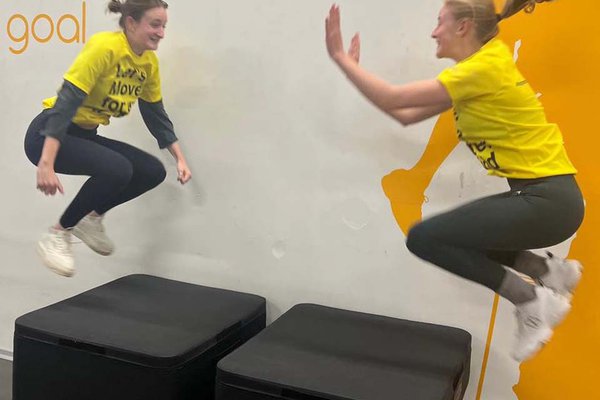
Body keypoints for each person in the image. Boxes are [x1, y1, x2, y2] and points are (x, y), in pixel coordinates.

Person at [325, 0, 584, 362]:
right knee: (455, 236)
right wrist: (351, 68)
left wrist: (341, 60)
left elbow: (393, 97)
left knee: (424, 238)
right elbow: (403, 115)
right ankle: (546, 271)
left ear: (462, 27)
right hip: (547, 200)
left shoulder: (481, 69)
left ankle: (531, 299)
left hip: (547, 200)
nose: (433, 32)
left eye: (439, 22)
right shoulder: (478, 70)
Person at [25, 0, 191, 278]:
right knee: (118, 168)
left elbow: (155, 115)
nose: (161, 33)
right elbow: (66, 104)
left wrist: (180, 159)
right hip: (49, 133)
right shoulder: (105, 48)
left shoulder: (148, 63)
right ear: (131, 23)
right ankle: (57, 234)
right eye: (154, 24)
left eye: (163, 26)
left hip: (83, 135)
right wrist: (46, 163)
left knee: (151, 171)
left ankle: (91, 219)